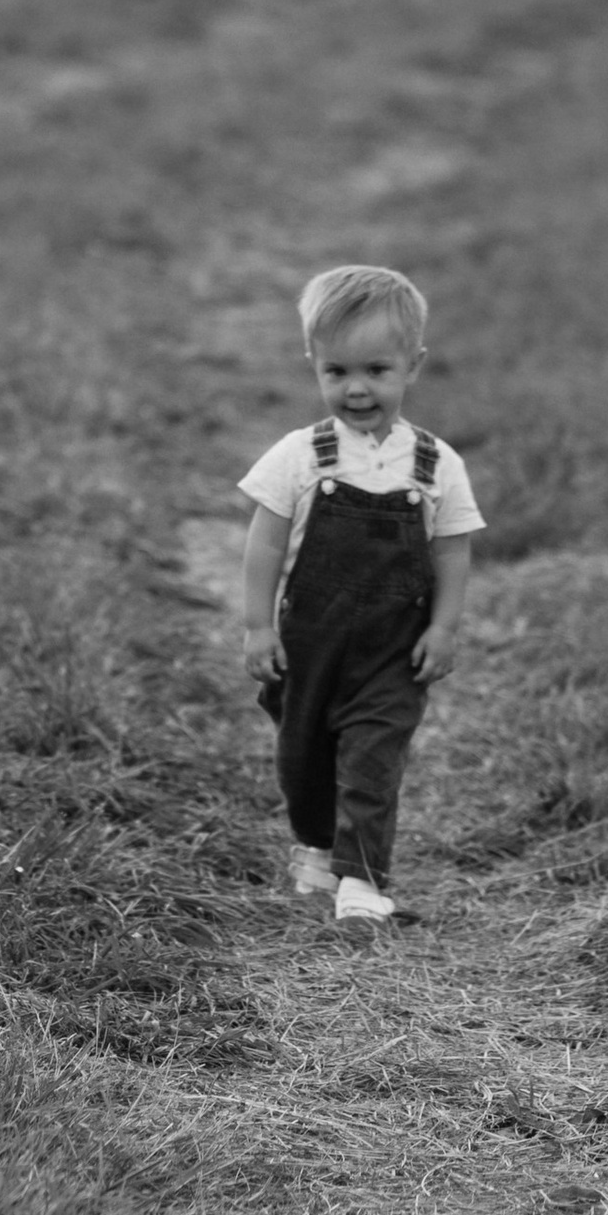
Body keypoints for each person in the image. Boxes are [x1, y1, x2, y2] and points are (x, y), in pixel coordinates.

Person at [236, 262, 483, 929]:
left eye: (377, 370)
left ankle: (364, 878)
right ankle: (318, 847)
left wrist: (444, 628)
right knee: (302, 760)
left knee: (373, 761)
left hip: (392, 649)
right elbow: (265, 545)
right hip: (310, 643)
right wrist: (259, 626)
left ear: (414, 365)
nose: (356, 388)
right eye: (337, 371)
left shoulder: (435, 464)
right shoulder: (300, 455)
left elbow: (451, 549)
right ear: (313, 365)